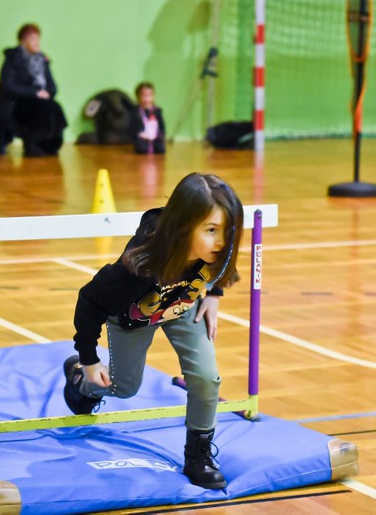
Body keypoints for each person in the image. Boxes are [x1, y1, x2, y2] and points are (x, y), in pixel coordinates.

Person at [64, 173, 244, 490]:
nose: (222, 241)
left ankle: (198, 455)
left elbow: (225, 264)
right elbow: (89, 302)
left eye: (228, 231)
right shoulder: (138, 267)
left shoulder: (216, 249)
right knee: (124, 387)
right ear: (183, 226)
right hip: (133, 317)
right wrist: (90, 361)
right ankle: (80, 382)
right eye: (212, 230)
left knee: (206, 377)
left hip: (181, 308)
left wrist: (214, 296)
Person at [0, 23, 67, 157]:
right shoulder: (13, 58)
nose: (37, 43)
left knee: (55, 108)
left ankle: (50, 145)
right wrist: (35, 93)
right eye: (33, 39)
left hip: (39, 101)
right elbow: (8, 85)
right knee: (40, 110)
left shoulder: (42, 60)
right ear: (23, 42)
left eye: (38, 39)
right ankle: (33, 144)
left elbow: (52, 86)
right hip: (17, 103)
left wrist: (48, 93)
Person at [129, 82, 166, 154]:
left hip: (155, 137)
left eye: (149, 95)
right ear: (138, 96)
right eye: (143, 95)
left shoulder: (157, 111)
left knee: (161, 149)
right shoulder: (135, 111)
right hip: (142, 137)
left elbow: (162, 126)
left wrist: (159, 135)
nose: (146, 98)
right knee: (142, 149)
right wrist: (139, 134)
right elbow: (131, 128)